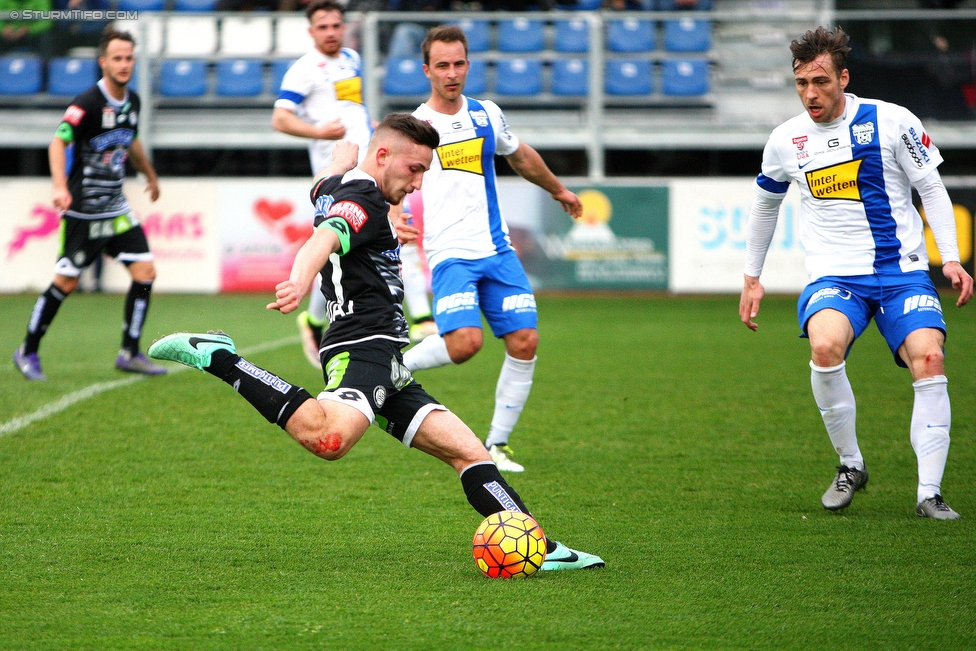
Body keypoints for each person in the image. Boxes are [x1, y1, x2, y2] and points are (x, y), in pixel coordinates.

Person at [147, 115, 604, 571]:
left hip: (386, 355)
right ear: (383, 156)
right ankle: (220, 357)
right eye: (415, 169)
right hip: (360, 347)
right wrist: (297, 282)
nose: (419, 183)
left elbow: (323, 192)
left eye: (425, 171)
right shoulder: (362, 197)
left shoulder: (343, 187)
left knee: (468, 453)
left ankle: (539, 548)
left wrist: (337, 164)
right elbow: (323, 237)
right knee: (329, 438)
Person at [739, 26, 973, 519]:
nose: (810, 93)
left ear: (843, 78)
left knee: (929, 359)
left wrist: (949, 256)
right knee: (824, 348)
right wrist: (752, 276)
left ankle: (928, 492)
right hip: (835, 277)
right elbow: (764, 206)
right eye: (801, 83)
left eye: (820, 81)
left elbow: (931, 188)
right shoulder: (786, 140)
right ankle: (851, 464)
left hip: (903, 272)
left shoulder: (891, 121)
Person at [402, 25, 583, 473]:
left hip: (497, 250)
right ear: (427, 70)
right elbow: (392, 176)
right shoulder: (418, 125)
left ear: (468, 64)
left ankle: (497, 446)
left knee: (525, 341)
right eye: (442, 65)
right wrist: (392, 214)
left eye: (459, 63)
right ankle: (391, 367)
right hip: (450, 253)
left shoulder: (486, 114)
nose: (451, 73)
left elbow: (519, 155)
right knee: (464, 345)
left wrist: (559, 190)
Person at [272, 0, 435, 369]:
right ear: (311, 32)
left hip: (373, 166)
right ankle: (419, 321)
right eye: (323, 27)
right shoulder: (303, 71)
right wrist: (317, 131)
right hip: (338, 175)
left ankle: (323, 320)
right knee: (337, 249)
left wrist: (369, 125)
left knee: (392, 237)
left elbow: (350, 105)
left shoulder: (351, 59)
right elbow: (280, 118)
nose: (331, 32)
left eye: (336, 25)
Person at [12, 29, 166, 381]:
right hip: (84, 210)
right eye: (117, 58)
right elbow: (57, 141)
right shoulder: (87, 103)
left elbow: (132, 142)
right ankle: (27, 350)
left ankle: (129, 352)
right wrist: (59, 186)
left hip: (117, 208)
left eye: (129, 58)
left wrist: (150, 175)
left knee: (145, 274)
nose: (124, 64)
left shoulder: (133, 102)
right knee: (65, 284)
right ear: (103, 62)